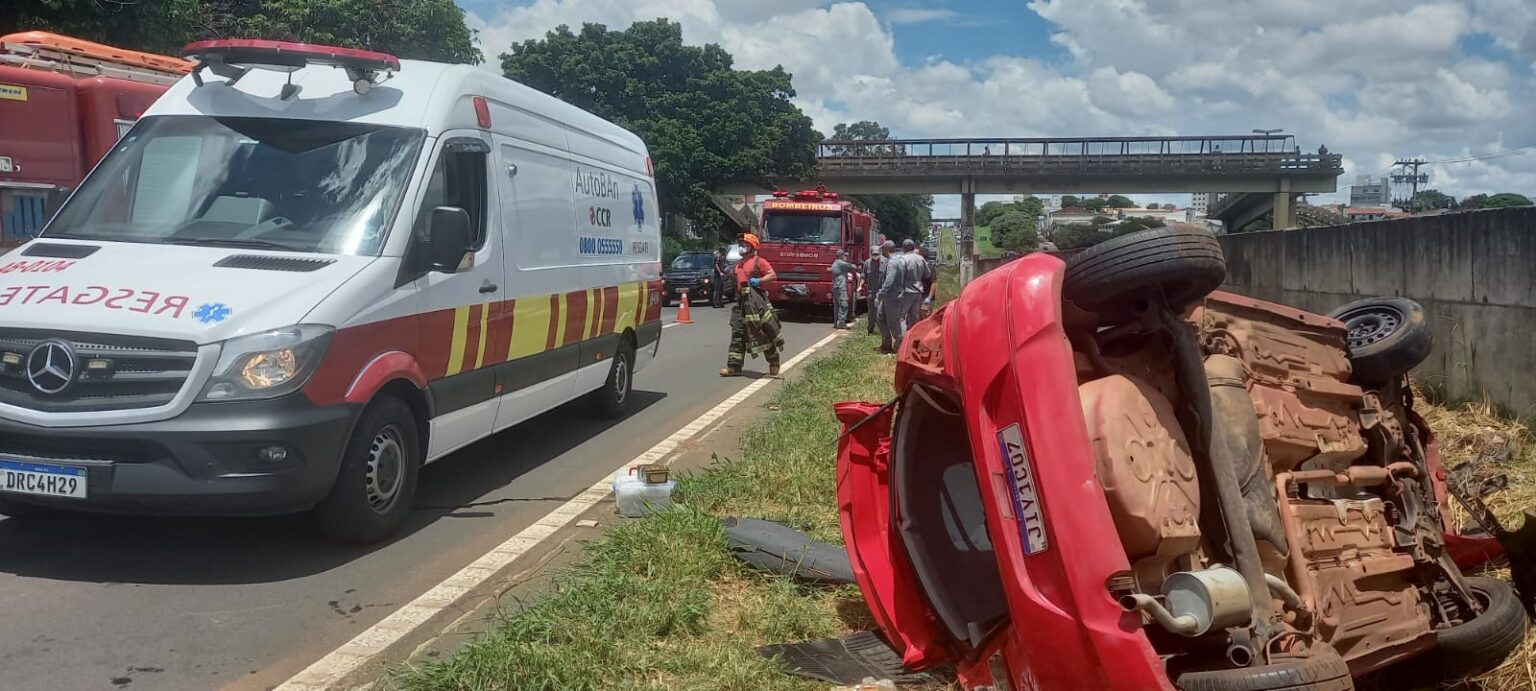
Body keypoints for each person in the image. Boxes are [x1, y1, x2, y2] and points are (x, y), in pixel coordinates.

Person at [721, 233, 784, 377]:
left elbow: (772, 275)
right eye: (741, 245)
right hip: (740, 302)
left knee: (761, 332)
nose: (741, 248)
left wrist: (759, 281)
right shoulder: (739, 264)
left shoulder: (759, 262)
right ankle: (734, 367)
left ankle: (773, 361)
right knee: (737, 334)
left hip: (756, 302)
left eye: (744, 245)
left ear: (752, 247)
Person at [875, 241, 908, 354]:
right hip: (890, 296)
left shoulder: (893, 263)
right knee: (880, 318)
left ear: (886, 249)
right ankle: (886, 344)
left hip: (892, 296)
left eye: (882, 249)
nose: (880, 252)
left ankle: (901, 346)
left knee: (894, 323)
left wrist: (880, 294)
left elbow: (890, 280)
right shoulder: (898, 260)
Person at [863, 242, 890, 335]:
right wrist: (860, 286)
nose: (875, 256)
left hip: (882, 292)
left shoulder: (886, 262)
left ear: (880, 253)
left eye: (877, 254)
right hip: (871, 292)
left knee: (882, 312)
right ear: (871, 254)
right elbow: (864, 276)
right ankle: (870, 329)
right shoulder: (867, 263)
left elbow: (889, 277)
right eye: (874, 254)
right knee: (871, 313)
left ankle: (883, 331)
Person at [898, 239, 927, 328]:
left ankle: (901, 339)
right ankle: (914, 338)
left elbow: (899, 276)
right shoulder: (921, 258)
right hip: (918, 291)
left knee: (901, 316)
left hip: (906, 291)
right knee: (915, 317)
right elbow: (927, 274)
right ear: (913, 247)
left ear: (903, 248)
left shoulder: (902, 259)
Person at [828, 249, 858, 330]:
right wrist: (848, 263)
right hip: (841, 287)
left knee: (837, 306)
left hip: (835, 287)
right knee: (844, 305)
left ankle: (836, 322)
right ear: (841, 256)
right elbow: (853, 267)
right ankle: (841, 322)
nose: (845, 257)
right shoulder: (840, 263)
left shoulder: (835, 263)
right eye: (844, 256)